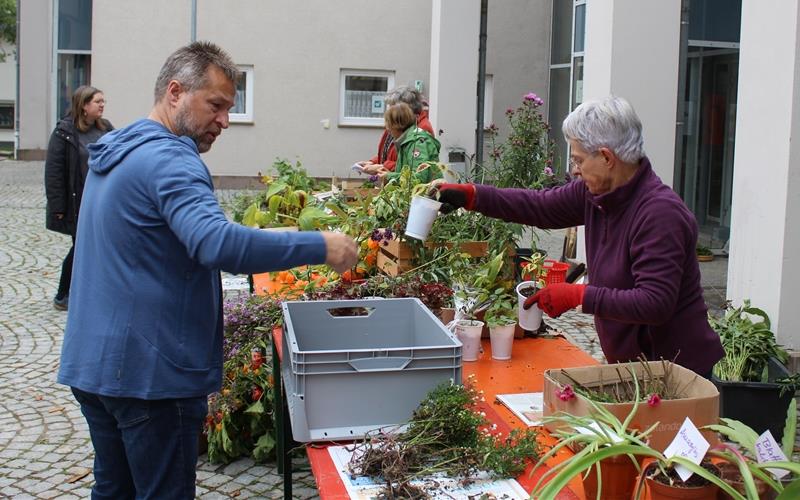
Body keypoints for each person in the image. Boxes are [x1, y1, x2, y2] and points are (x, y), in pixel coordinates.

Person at [57, 41, 358, 499]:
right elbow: (217, 242)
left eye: (230, 108)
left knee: (113, 490)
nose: (225, 121)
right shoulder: (172, 159)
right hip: (150, 378)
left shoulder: (118, 150)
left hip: (95, 366)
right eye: (215, 105)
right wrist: (322, 244)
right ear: (175, 92)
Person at [433, 95, 723, 377]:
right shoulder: (596, 193)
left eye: (579, 160)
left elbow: (655, 302)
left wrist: (578, 295)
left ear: (607, 157)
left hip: (678, 373)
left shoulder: (660, 214)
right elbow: (539, 205)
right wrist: (472, 196)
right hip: (637, 368)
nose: (574, 171)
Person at [44, 85, 113, 311]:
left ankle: (85, 292)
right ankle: (63, 295)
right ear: (84, 105)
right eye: (97, 101)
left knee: (93, 247)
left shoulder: (106, 129)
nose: (102, 105)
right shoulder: (64, 133)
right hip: (77, 203)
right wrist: (58, 207)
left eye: (103, 101)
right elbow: (54, 173)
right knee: (82, 247)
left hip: (100, 200)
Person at [357, 86, 434, 175]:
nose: (390, 111)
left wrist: (382, 167)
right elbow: (387, 153)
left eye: (392, 107)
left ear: (406, 109)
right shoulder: (398, 123)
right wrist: (373, 162)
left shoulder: (421, 130)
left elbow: (413, 168)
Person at [381, 102, 441, 184]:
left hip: (427, 195)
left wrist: (389, 176)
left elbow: (418, 178)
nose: (387, 129)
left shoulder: (416, 143)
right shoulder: (407, 141)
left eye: (388, 124)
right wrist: (389, 174)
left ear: (396, 125)